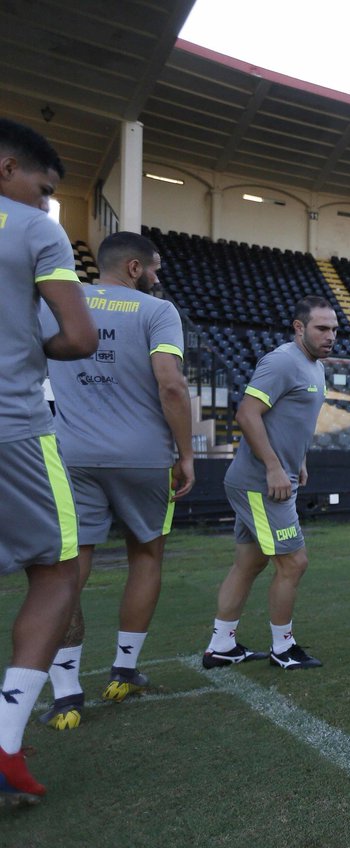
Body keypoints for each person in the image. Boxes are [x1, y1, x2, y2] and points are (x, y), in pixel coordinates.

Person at [37, 232, 195, 730]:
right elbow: (171, 384)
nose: (157, 276)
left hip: (72, 455)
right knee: (145, 555)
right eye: (155, 267)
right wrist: (187, 454)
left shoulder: (59, 304)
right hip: (143, 457)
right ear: (133, 267)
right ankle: (124, 671)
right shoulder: (157, 311)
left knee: (68, 569)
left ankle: (66, 693)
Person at [0, 118, 97, 802]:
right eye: (44, 187)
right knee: (58, 571)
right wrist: (33, 349)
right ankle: (4, 744)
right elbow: (80, 336)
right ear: (7, 169)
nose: (47, 202)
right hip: (13, 426)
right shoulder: (34, 229)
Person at [201, 296, 335, 671]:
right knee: (294, 562)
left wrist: (299, 461)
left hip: (271, 479)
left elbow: (290, 419)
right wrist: (275, 467)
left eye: (334, 329)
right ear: (299, 327)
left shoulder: (315, 366)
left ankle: (221, 646)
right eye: (321, 328)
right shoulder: (281, 361)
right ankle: (283, 648)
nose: (330, 336)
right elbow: (247, 413)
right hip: (261, 482)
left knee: (249, 562)